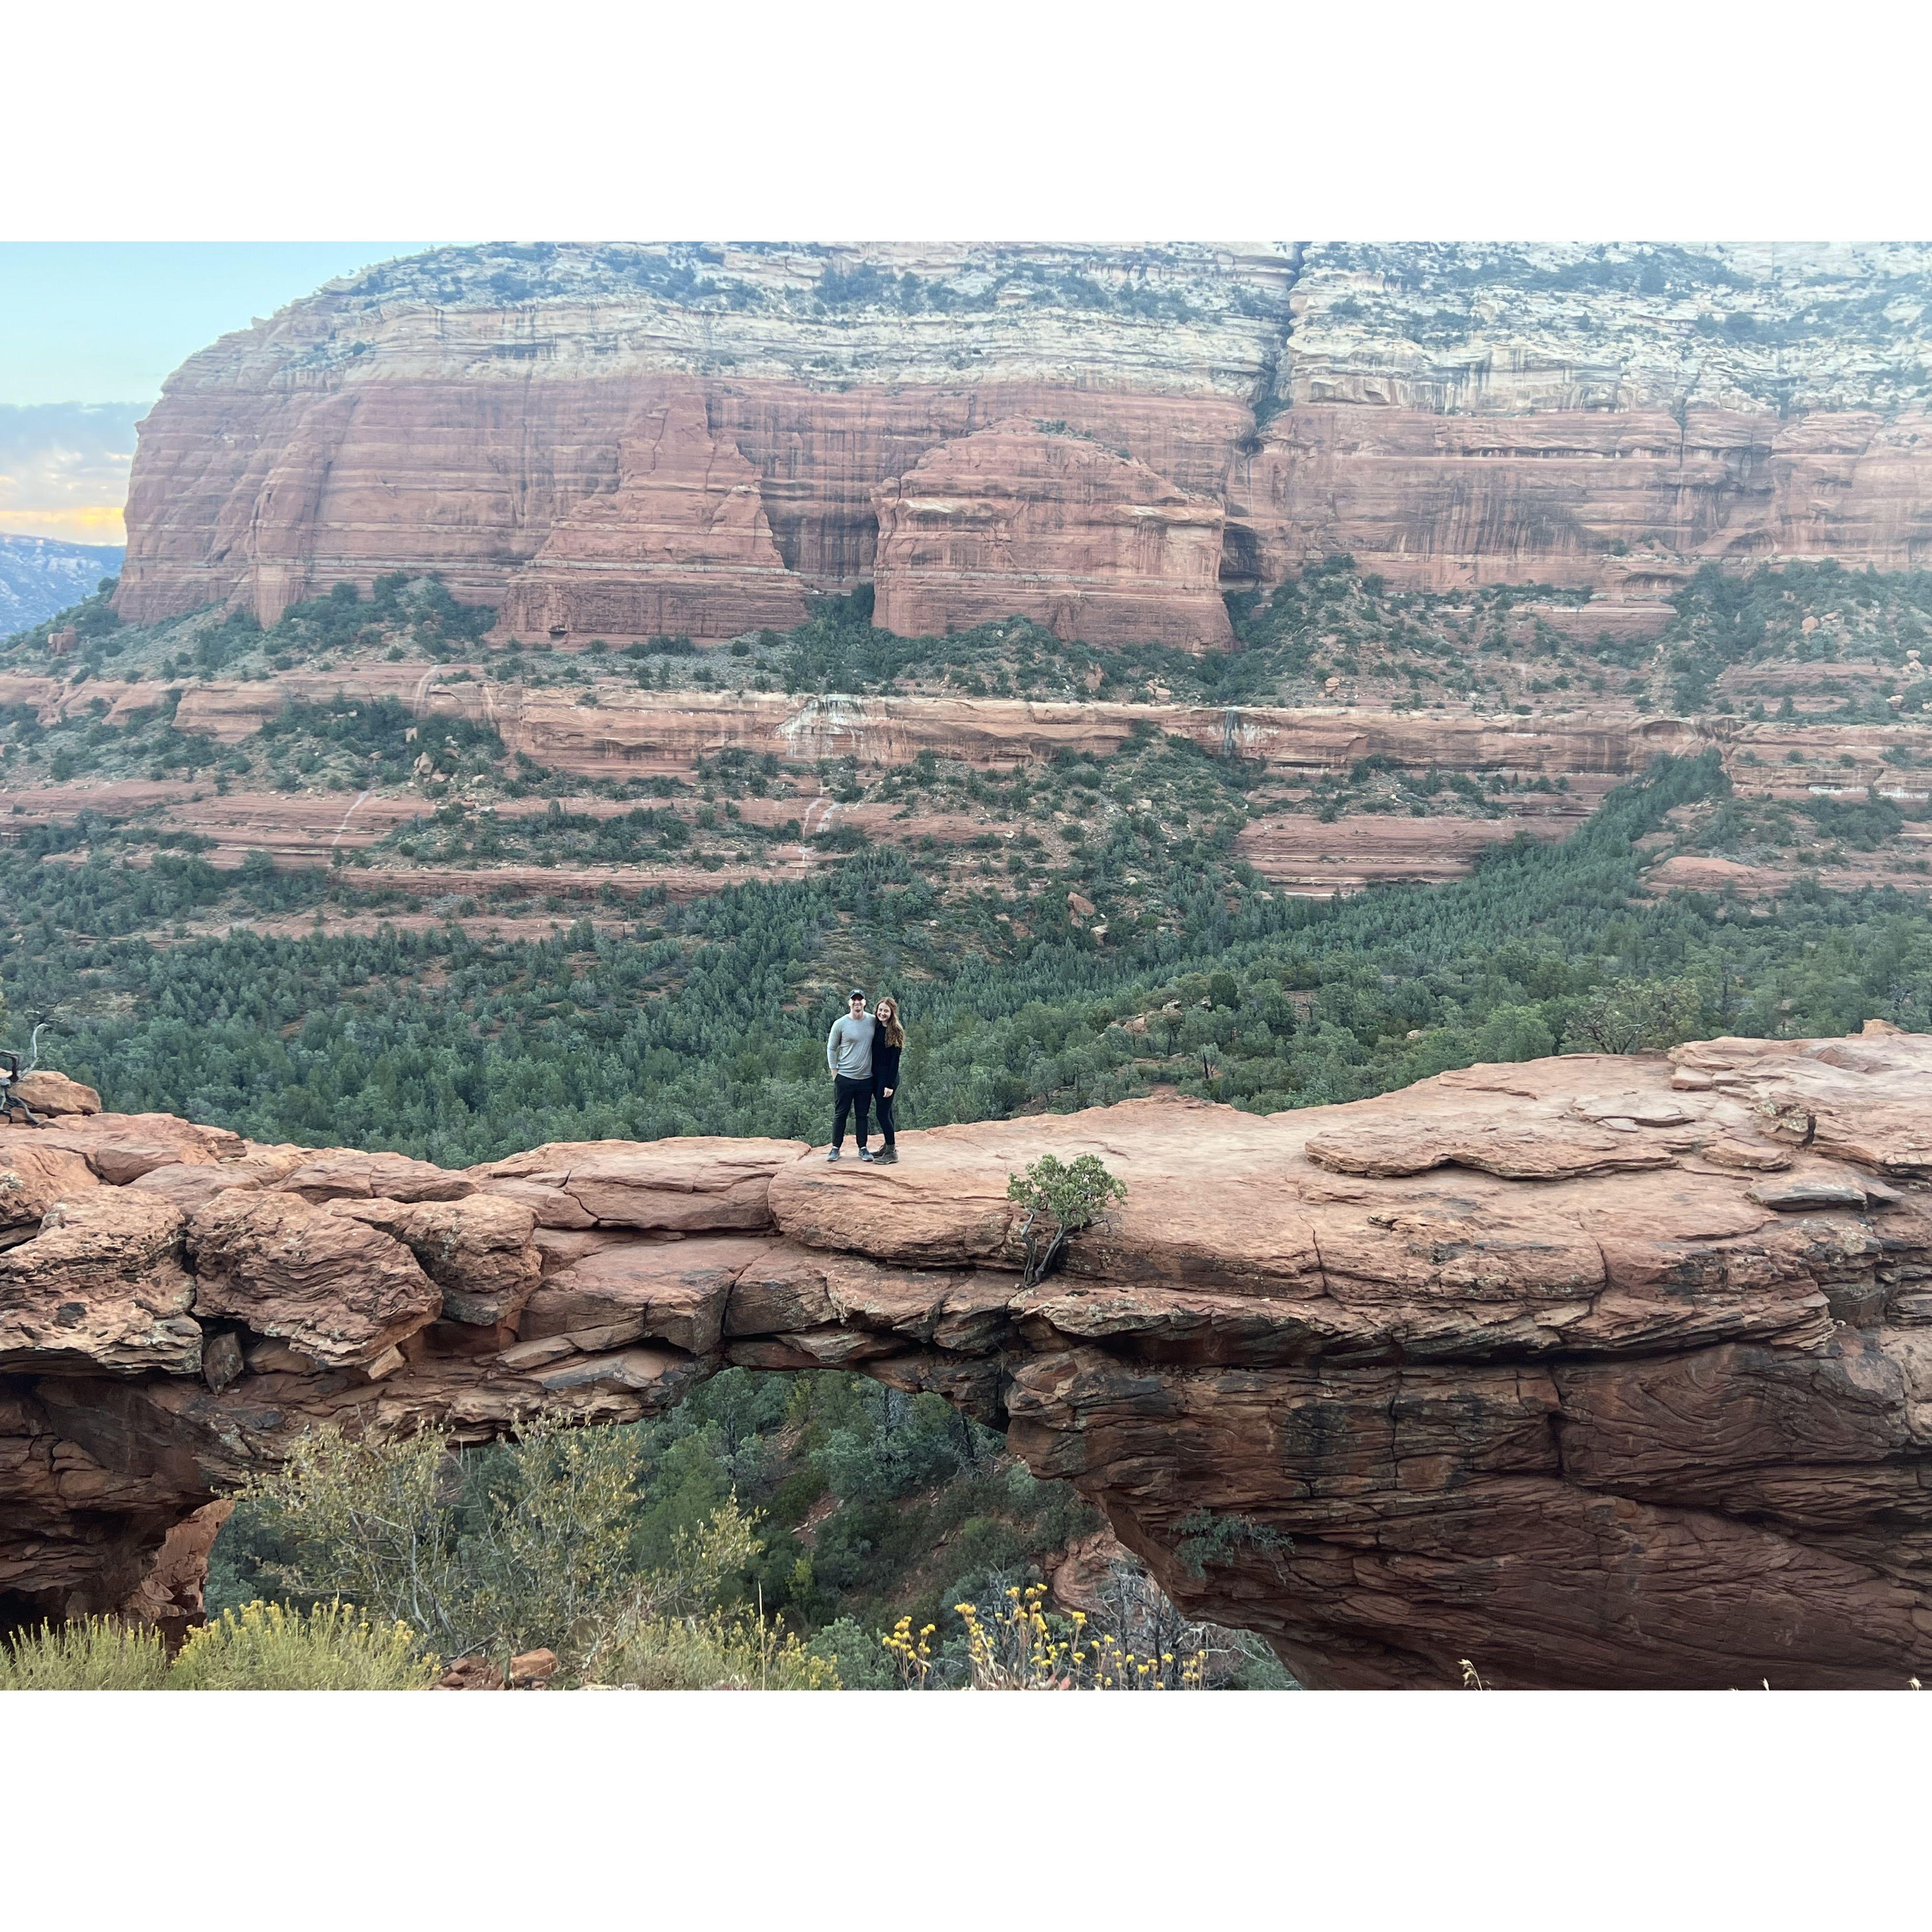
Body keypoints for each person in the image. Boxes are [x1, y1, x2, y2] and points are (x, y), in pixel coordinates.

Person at [825, 987, 876, 1161]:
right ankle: (835, 1148)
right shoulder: (840, 1024)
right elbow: (832, 1048)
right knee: (841, 1114)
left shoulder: (873, 1021)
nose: (857, 1002)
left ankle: (863, 1148)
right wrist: (835, 1072)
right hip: (845, 1078)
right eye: (854, 1000)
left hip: (866, 1079)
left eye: (860, 1000)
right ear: (849, 1003)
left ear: (865, 1003)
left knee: (863, 1115)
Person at [870, 995, 905, 1164]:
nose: (883, 1013)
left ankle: (892, 1152)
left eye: (886, 1011)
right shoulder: (876, 1027)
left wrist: (889, 1084)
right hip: (876, 1076)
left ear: (892, 1013)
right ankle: (887, 1146)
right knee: (887, 1112)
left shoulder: (895, 1030)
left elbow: (895, 1061)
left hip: (888, 1077)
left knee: (882, 1113)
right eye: (881, 1010)